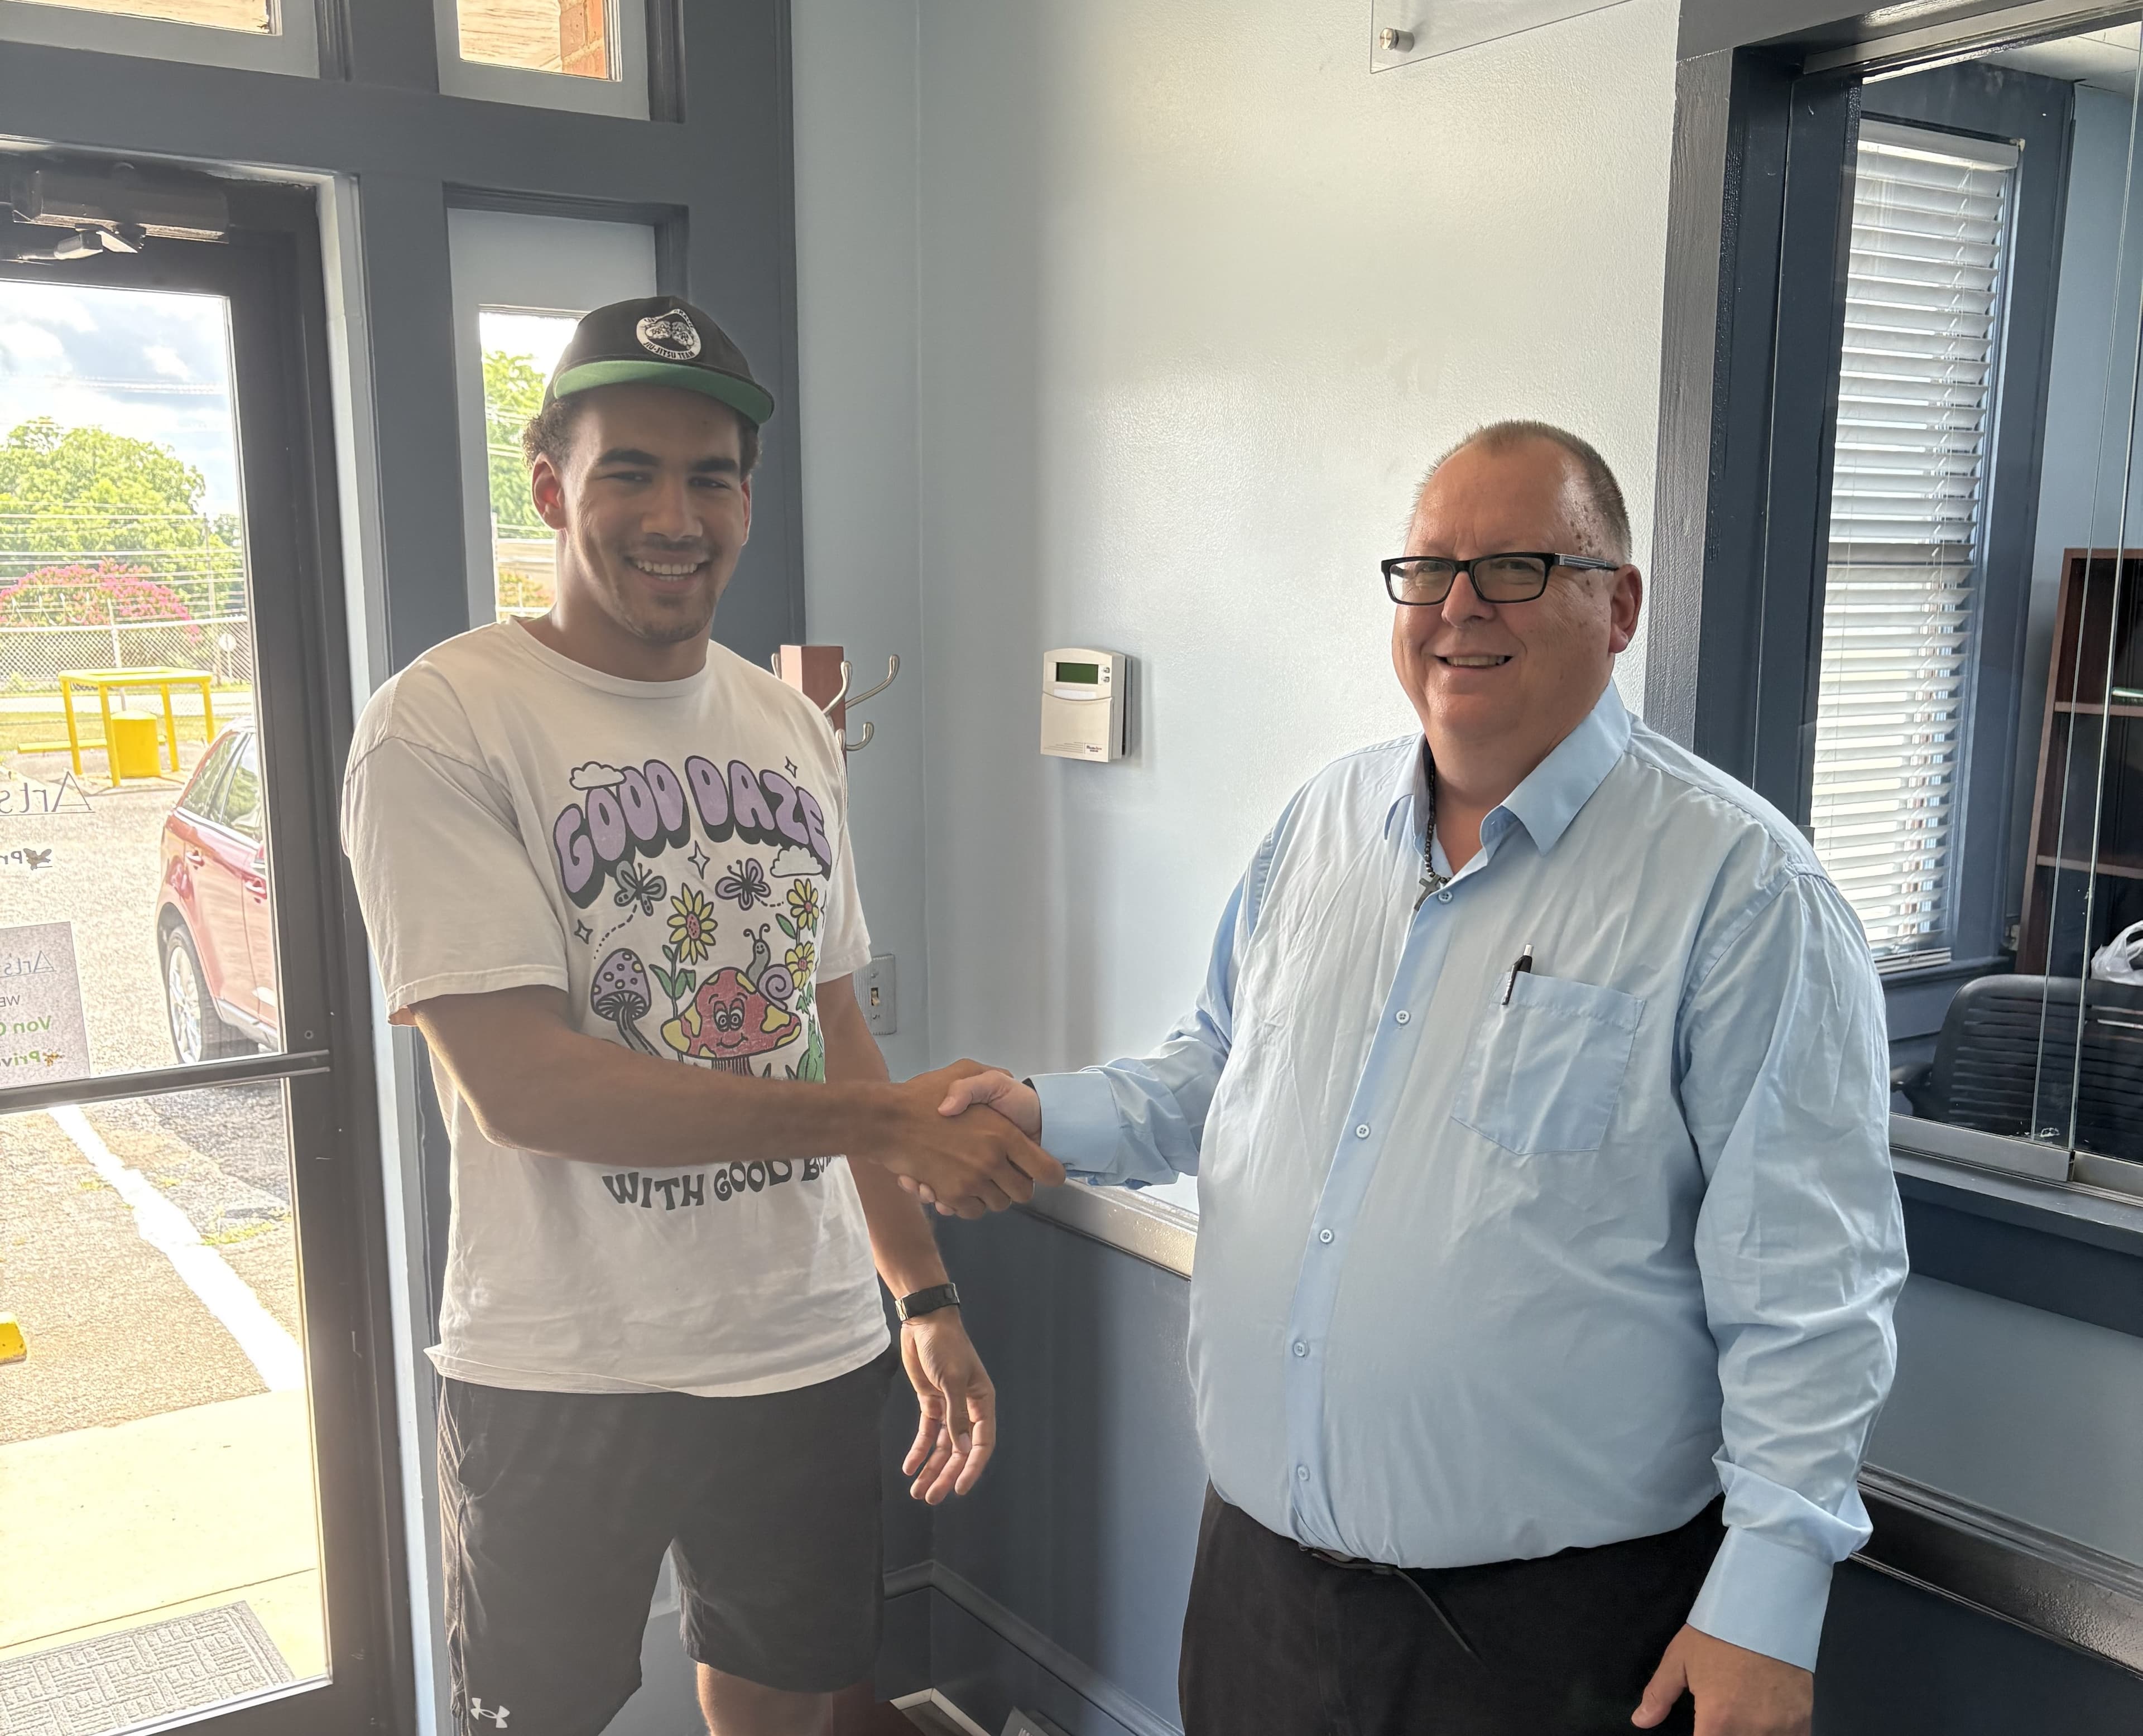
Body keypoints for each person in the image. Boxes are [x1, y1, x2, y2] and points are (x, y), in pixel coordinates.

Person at [936, 422, 1907, 1736]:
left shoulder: (1741, 892)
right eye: (1429, 568)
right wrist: (1045, 1114)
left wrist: (1769, 1597)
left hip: (1548, 1638)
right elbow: (1219, 1067)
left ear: (1617, 604)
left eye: (1515, 565)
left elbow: (1812, 1284)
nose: (1459, 607)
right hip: (1259, 1590)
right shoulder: (1319, 829)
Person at [340, 296, 1062, 1736]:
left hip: (794, 1347)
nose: (677, 515)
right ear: (550, 483)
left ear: (747, 497)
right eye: (632, 472)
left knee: (791, 1714)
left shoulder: (789, 728)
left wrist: (919, 1296)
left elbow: (828, 1020)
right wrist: (885, 1124)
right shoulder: (445, 721)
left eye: (713, 475)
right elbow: (524, 1088)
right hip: (557, 1362)